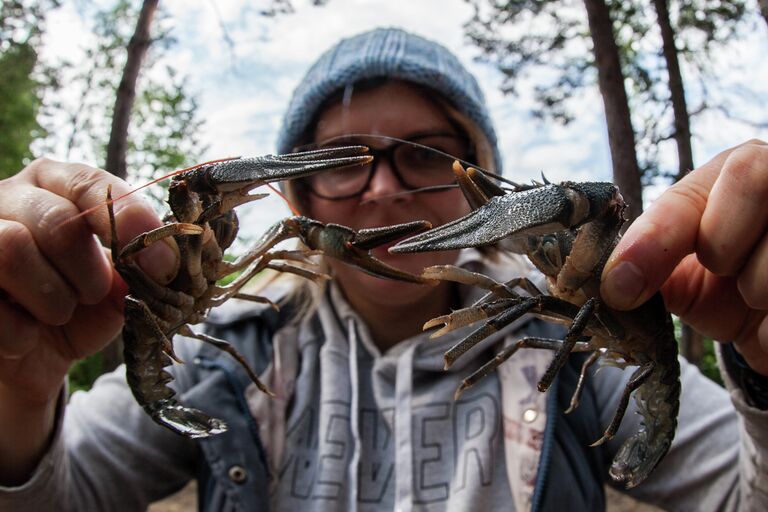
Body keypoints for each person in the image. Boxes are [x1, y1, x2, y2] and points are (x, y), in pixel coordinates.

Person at [0, 27, 767, 512]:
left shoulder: (565, 343)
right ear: (296, 192)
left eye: (422, 153)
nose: (384, 187)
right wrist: (16, 403)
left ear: (483, 184)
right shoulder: (220, 350)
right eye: (346, 162)